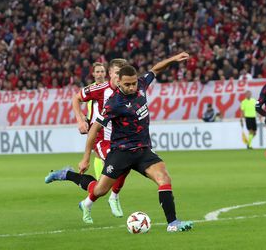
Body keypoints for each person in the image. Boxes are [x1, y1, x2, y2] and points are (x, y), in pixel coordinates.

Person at [78, 52, 194, 232]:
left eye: (133, 83)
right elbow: (94, 129)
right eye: (127, 84)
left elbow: (155, 69)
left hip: (142, 151)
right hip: (120, 153)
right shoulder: (113, 103)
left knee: (164, 178)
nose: (132, 87)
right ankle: (71, 179)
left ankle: (172, 223)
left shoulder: (141, 85)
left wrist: (173, 59)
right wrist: (86, 157)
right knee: (100, 191)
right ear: (119, 82)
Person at [45, 59, 128, 218]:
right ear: (110, 73)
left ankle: (67, 175)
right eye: (117, 73)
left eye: (122, 73)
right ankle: (113, 197)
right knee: (118, 167)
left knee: (99, 188)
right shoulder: (98, 89)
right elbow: (76, 98)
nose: (120, 76)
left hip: (118, 138)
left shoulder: (126, 89)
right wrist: (80, 120)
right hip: (100, 138)